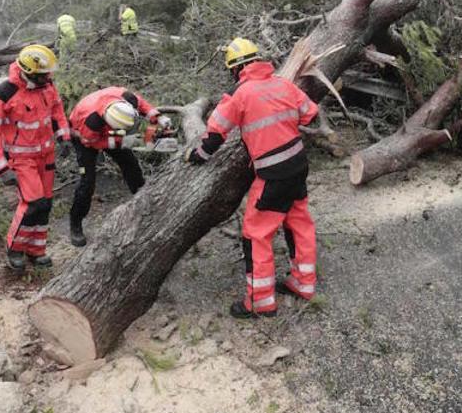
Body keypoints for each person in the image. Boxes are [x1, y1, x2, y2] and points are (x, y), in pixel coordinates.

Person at [185, 37, 318, 318]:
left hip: (272, 174)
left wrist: (197, 155)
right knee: (299, 223)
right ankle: (303, 283)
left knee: (256, 234)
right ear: (258, 60)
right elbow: (310, 116)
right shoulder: (284, 84)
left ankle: (260, 302)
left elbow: (214, 135)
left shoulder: (238, 94)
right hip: (298, 165)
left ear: (235, 69)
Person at [0, 44, 72, 270]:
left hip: (46, 155)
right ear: (29, 71)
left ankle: (36, 250)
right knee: (32, 203)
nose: (48, 78)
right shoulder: (4, 93)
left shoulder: (47, 86)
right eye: (43, 74)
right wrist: (1, 167)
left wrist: (64, 136)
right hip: (21, 159)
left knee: (45, 204)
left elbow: (57, 111)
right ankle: (15, 248)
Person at [68, 86, 171, 246]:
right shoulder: (92, 122)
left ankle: (145, 204)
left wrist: (158, 117)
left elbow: (143, 104)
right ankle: (76, 223)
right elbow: (92, 142)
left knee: (131, 166)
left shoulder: (127, 98)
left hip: (110, 128)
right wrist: (121, 141)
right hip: (83, 137)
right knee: (87, 182)